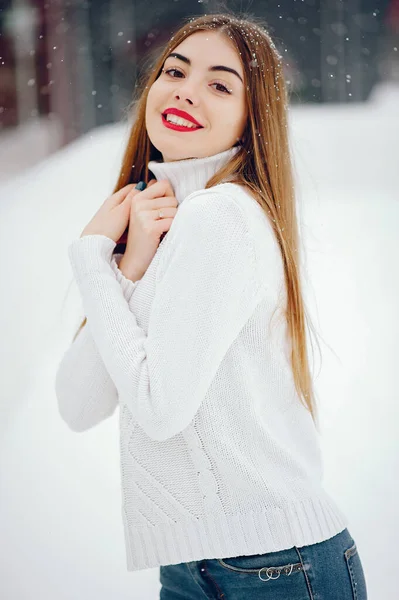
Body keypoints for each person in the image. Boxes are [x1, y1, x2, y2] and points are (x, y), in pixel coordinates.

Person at [55, 12, 368, 599]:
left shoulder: (220, 216)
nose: (185, 90)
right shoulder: (166, 223)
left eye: (220, 84)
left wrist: (92, 258)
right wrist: (127, 268)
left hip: (272, 569)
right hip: (197, 569)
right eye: (175, 71)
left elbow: (159, 406)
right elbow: (77, 404)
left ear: (253, 121)